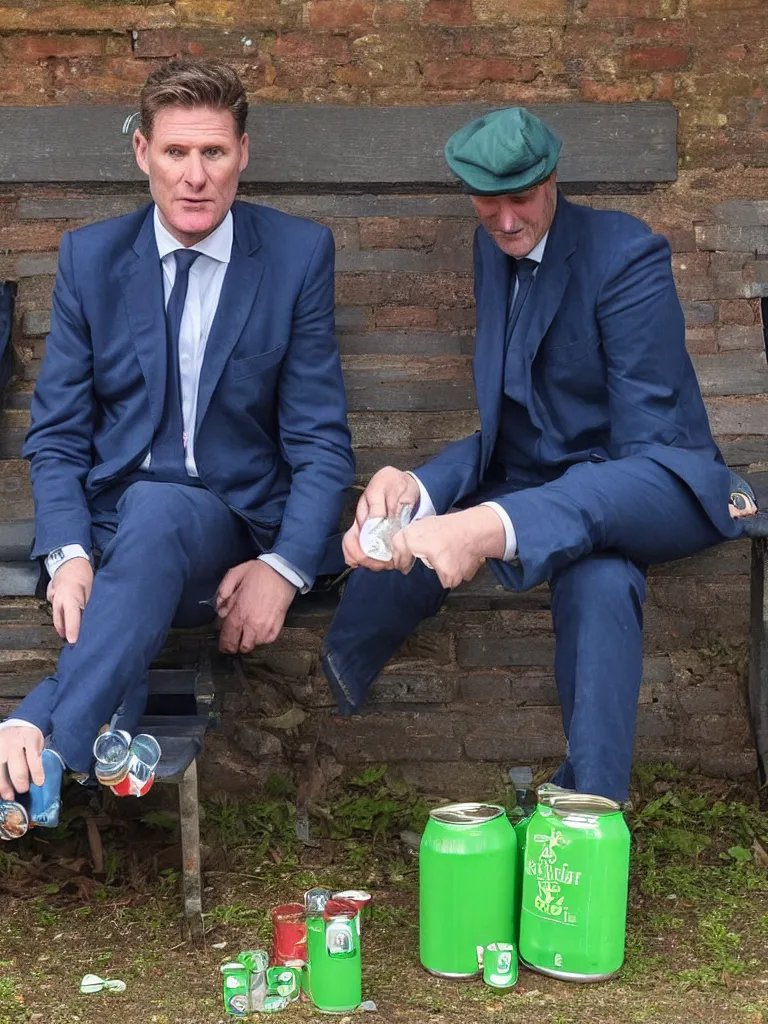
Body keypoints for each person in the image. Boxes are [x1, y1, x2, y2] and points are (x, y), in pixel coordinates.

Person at [321, 106, 755, 804]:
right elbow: (514, 431)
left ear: (552, 179)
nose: (505, 221)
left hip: (657, 482)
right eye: (487, 203)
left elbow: (645, 450)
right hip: (543, 484)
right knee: (600, 581)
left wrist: (486, 525)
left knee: (582, 561)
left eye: (520, 198)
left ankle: (587, 814)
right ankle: (588, 812)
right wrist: (419, 488)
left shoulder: (626, 255)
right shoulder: (489, 249)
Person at [0, 58, 354, 830]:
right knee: (144, 517)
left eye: (214, 153)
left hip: (225, 531)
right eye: (175, 153)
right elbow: (57, 434)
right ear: (142, 155)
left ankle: (42, 736)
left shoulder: (295, 257)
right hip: (113, 540)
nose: (195, 177)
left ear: (243, 155)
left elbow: (321, 442)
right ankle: (52, 741)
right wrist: (66, 552)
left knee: (160, 507)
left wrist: (285, 568)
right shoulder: (90, 260)